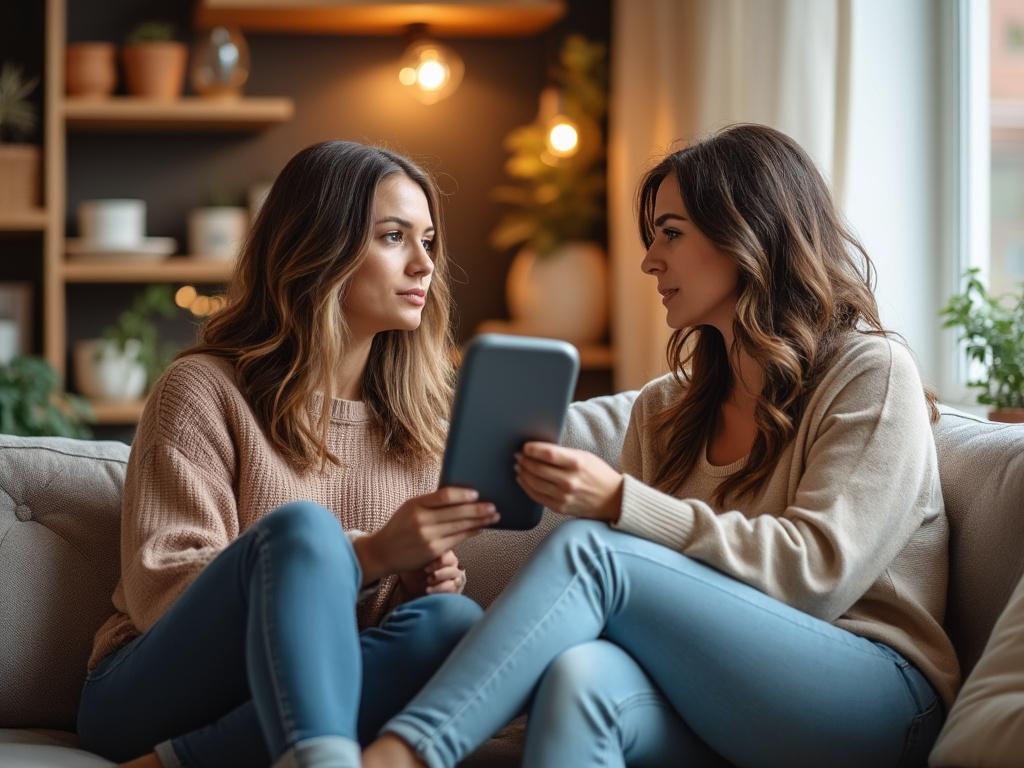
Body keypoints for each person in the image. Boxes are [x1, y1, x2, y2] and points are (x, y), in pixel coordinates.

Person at [362, 124, 960, 768]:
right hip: (722, 690)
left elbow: (816, 576)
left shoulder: (872, 372)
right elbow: (655, 605)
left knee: (593, 552)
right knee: (581, 678)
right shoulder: (663, 411)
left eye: (670, 233)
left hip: (872, 695)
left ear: (747, 234)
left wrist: (621, 501)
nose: (649, 260)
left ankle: (403, 755)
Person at [76, 141, 500, 768]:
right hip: (151, 687)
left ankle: (184, 762)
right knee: (302, 530)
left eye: (429, 241)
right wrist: (369, 552)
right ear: (318, 247)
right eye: (392, 237)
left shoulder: (418, 423)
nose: (423, 265)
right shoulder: (202, 390)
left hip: (301, 695)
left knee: (452, 622)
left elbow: (365, 638)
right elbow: (161, 589)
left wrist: (412, 584)